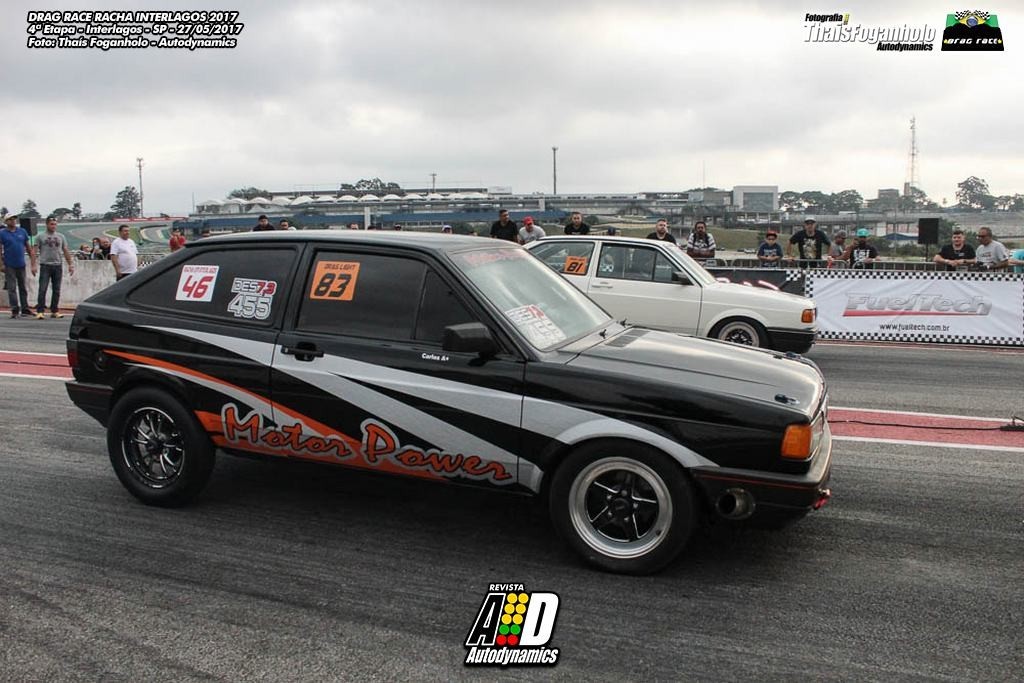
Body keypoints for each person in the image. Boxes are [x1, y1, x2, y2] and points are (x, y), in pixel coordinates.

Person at [34, 216, 75, 319]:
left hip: (57, 265)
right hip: (45, 265)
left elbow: (65, 250)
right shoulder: (40, 236)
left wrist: (70, 264)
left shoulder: (61, 236)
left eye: (55, 224)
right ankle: (40, 311)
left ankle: (54, 310)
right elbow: (34, 251)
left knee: (56, 289)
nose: (53, 226)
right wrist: (33, 265)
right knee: (42, 289)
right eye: (51, 224)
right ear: (47, 224)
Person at [0, 213, 38, 317]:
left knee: (23, 287)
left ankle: (25, 308)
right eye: (10, 219)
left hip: (21, 263)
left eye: (14, 219)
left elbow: (28, 247)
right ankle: (15, 309)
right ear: (6, 221)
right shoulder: (2, 233)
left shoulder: (22, 231)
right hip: (9, 264)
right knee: (12, 288)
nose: (13, 221)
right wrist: (1, 264)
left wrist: (33, 263)